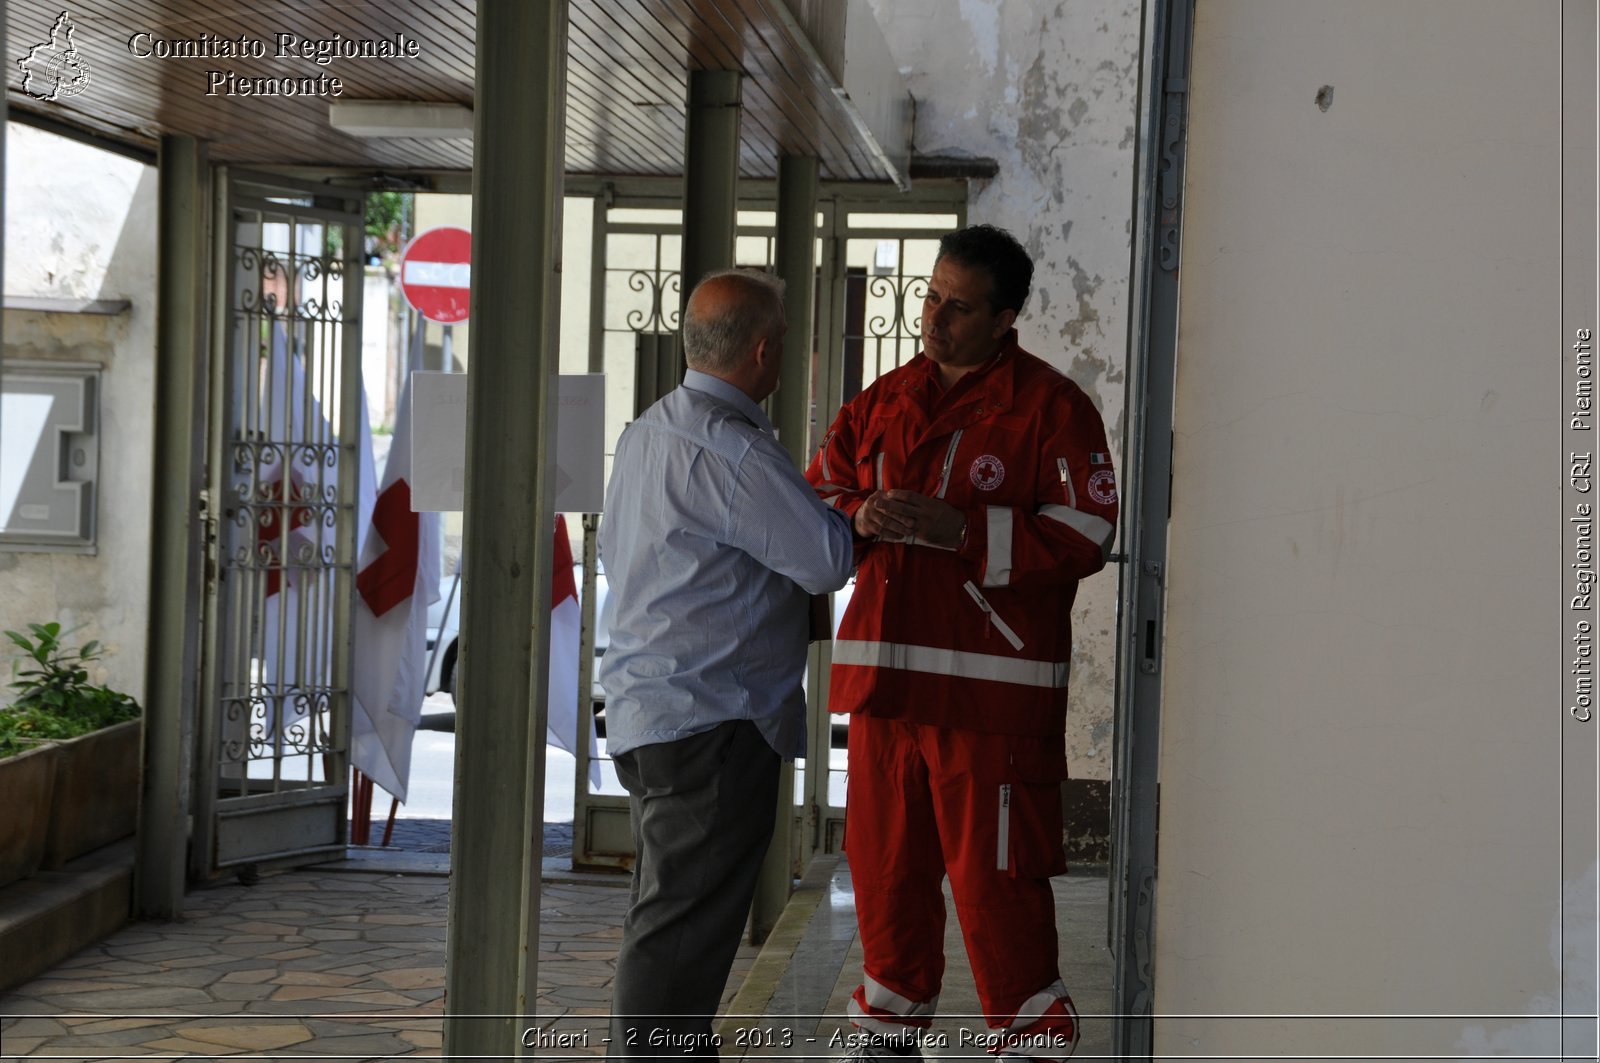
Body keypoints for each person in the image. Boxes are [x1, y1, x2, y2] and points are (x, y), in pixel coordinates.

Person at [806, 225, 1119, 1061]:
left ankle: (1031, 1034)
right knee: (883, 870)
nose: (935, 317)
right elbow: (821, 489)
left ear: (1005, 316)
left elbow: (1089, 531)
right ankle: (888, 1019)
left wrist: (966, 531)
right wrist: (858, 515)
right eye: (930, 296)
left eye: (958, 305)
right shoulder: (881, 399)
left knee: (996, 883)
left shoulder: (1052, 407)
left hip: (991, 701)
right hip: (883, 692)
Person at [599, 268, 856, 1059]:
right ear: (761, 350)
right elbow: (825, 558)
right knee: (680, 931)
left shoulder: (649, 431)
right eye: (784, 339)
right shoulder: (735, 450)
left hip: (655, 707)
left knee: (675, 913)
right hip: (715, 715)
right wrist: (854, 511)